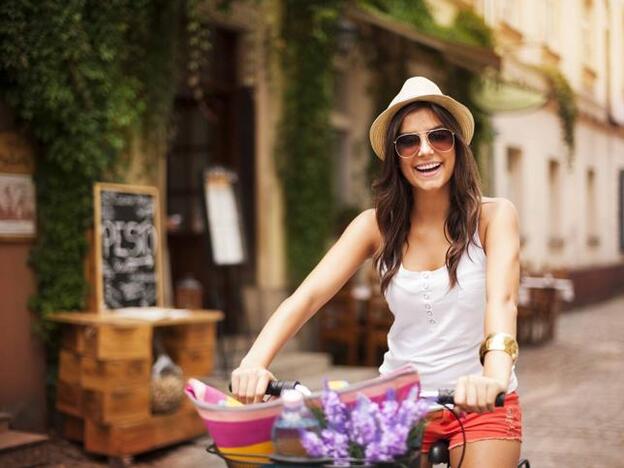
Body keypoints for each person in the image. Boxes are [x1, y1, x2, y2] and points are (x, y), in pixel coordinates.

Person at [231, 76, 522, 468]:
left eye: (438, 136)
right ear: (395, 156)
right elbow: (308, 296)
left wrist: (494, 377)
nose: (424, 151)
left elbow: (502, 301)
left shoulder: (493, 216)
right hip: (397, 407)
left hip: (480, 400)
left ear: (456, 145)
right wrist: (254, 362)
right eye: (408, 141)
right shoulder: (375, 226)